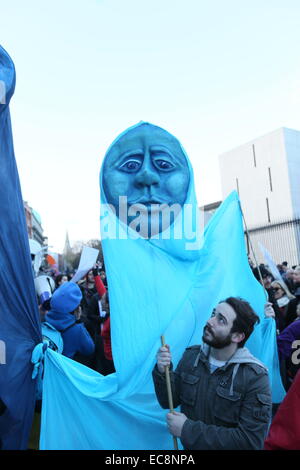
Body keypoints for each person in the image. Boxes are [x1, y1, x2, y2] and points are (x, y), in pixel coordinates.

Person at [152, 297, 272, 450]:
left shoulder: (255, 377)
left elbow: (250, 442)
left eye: (221, 320)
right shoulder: (192, 356)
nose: (210, 321)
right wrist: (163, 372)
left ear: (237, 336)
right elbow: (169, 400)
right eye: (214, 314)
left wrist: (187, 430)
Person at [45, 282, 95, 360]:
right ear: (76, 308)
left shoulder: (43, 320)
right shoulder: (78, 330)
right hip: (64, 369)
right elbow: (89, 350)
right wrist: (78, 321)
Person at [252, 266, 284, 332]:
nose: (269, 281)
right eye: (264, 278)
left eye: (269, 277)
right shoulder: (254, 298)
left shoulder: (270, 291)